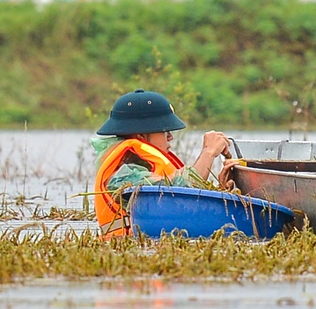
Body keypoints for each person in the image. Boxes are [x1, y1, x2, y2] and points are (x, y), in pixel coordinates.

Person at [90, 90, 232, 236]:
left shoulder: (141, 169)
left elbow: (183, 204)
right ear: (141, 137)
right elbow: (182, 192)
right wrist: (208, 153)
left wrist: (222, 190)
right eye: (165, 131)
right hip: (128, 248)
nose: (170, 137)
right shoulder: (124, 175)